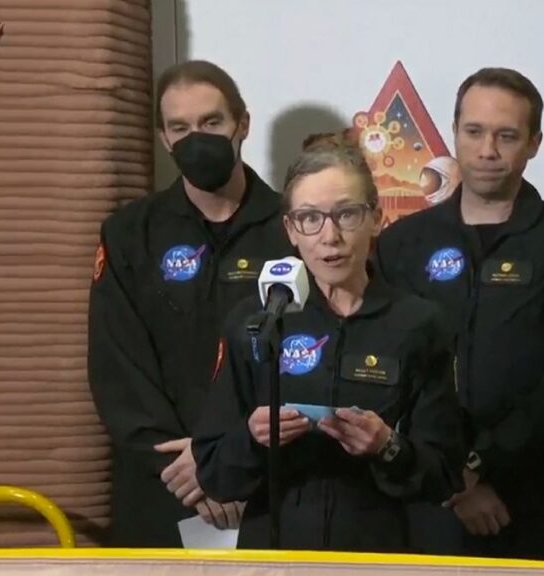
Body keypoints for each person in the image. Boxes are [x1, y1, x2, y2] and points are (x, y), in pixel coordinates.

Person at [375, 67, 544, 560]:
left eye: (506, 136)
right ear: (454, 132)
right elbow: (389, 366)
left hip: (529, 495)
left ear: (534, 143)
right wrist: (454, 478)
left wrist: (482, 464)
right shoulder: (402, 243)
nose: (487, 150)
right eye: (474, 132)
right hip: (424, 493)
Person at [192, 135, 465, 551]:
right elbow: (213, 472)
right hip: (275, 549)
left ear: (376, 218)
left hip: (381, 549)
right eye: (310, 218)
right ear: (291, 230)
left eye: (347, 214)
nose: (330, 236)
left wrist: (387, 447)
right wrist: (252, 439)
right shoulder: (257, 321)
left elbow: (444, 473)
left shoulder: (418, 323)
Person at [87, 60, 293, 547]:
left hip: (270, 485)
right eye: (180, 128)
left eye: (211, 122)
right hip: (165, 485)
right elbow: (117, 365)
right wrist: (189, 469)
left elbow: (311, 359)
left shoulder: (296, 228)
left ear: (242, 123)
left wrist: (231, 461)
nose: (196, 138)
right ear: (164, 138)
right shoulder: (130, 233)